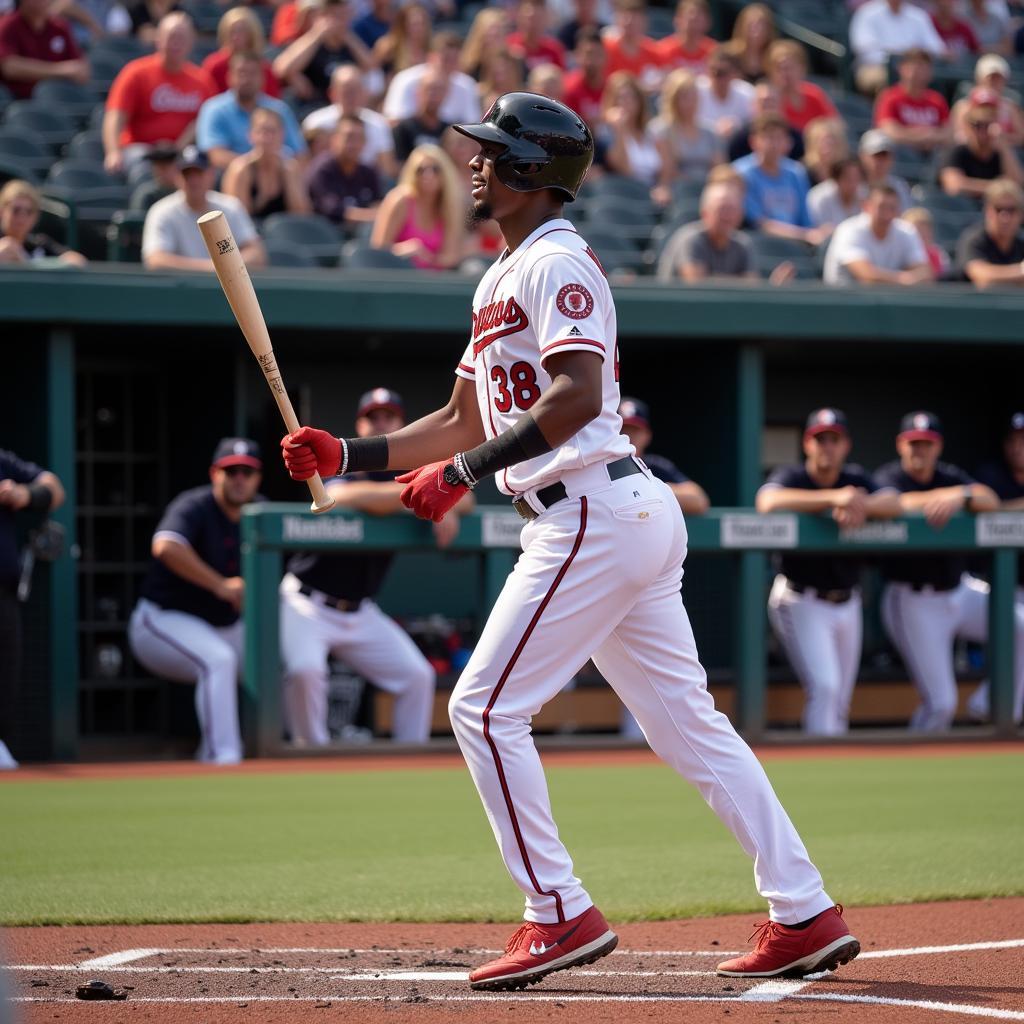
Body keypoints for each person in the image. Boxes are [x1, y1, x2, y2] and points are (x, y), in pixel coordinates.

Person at [280, 90, 861, 991]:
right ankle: (805, 911)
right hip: (603, 515)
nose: (473, 163)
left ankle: (556, 912)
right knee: (690, 732)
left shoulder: (559, 263)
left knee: (481, 708)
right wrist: (346, 449)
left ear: (529, 170)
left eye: (491, 151)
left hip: (589, 509)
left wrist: (465, 474)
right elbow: (460, 415)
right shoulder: (500, 275)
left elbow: (577, 399)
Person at [280, 389, 464, 746]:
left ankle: (410, 761)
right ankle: (309, 758)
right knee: (306, 671)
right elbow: (341, 497)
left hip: (360, 610)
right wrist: (423, 494)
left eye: (389, 417)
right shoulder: (348, 463)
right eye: (373, 417)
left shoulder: (407, 469)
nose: (381, 423)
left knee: (417, 676)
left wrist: (449, 501)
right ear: (359, 424)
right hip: (306, 603)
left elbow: (466, 494)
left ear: (401, 424)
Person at [756, 409, 900, 736]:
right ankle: (817, 760)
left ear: (845, 445)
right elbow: (767, 500)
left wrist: (858, 504)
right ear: (808, 443)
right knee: (825, 687)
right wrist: (833, 498)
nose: (827, 447)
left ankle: (836, 769)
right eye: (820, 439)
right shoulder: (793, 475)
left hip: (847, 601)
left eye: (834, 440)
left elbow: (894, 503)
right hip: (800, 598)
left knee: (840, 700)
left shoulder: (856, 479)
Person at [128, 438, 263, 765]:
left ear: (257, 477)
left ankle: (297, 754)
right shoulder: (195, 505)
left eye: (247, 471)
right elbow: (165, 546)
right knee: (218, 659)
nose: (239, 479)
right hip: (162, 620)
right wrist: (219, 585)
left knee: (280, 662)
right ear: (215, 474)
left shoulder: (262, 511)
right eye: (231, 471)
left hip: (224, 625)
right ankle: (223, 759)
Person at [872, 412, 1009, 733]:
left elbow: (989, 499)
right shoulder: (889, 476)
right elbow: (890, 503)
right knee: (941, 704)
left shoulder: (950, 477)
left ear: (938, 446)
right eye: (914, 443)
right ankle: (911, 765)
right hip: (914, 599)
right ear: (901, 446)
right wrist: (939, 500)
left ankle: (986, 706)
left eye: (927, 444)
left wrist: (959, 496)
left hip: (960, 591)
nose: (920, 450)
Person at [0, 447, 64, 770]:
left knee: (7, 672)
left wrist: (22, 494)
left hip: (3, 591)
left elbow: (54, 488)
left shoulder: (2, 462)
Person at [103, 12, 213, 175]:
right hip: (144, 152)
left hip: (184, 153)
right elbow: (115, 116)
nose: (176, 43)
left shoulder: (202, 80)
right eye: (171, 37)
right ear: (158, 40)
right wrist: (113, 152)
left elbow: (207, 121)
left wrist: (178, 147)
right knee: (142, 170)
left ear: (191, 43)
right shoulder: (136, 73)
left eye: (182, 38)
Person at [968, 410, 1024, 724]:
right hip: (1002, 587)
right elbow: (986, 505)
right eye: (1014, 440)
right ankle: (998, 715)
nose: (1019, 447)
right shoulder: (992, 475)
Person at [142, 145, 266, 271]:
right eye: (187, 174)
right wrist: (212, 268)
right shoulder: (162, 211)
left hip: (226, 286)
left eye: (199, 173)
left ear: (211, 174)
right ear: (177, 177)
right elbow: (155, 260)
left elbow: (256, 254)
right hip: (181, 287)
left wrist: (219, 269)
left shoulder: (231, 207)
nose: (193, 180)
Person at [196, 51, 306, 170]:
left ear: (263, 77)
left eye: (253, 73)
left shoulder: (279, 110)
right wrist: (256, 170)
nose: (246, 79)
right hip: (229, 177)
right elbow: (215, 155)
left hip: (277, 178)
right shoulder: (213, 108)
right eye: (241, 73)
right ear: (229, 76)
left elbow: (300, 155)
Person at [733, 113, 827, 246]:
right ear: (753, 142)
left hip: (799, 245)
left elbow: (806, 219)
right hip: (762, 245)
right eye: (768, 138)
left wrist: (813, 233)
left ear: (788, 143)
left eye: (779, 138)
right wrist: (804, 235)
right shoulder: (741, 173)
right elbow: (759, 223)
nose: (774, 144)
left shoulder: (796, 172)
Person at [370, 142, 463, 268]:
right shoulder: (400, 200)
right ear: (412, 173)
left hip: (434, 282)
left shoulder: (449, 206)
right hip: (398, 277)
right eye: (421, 170)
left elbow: (450, 256)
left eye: (435, 169)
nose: (428, 175)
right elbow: (378, 251)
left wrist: (429, 259)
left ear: (445, 174)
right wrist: (404, 250)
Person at [823, 183, 933, 286]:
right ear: (866, 207)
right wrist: (904, 279)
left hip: (888, 302)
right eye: (881, 207)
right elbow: (866, 276)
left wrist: (909, 278)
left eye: (892, 208)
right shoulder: (848, 230)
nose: (887, 214)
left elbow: (924, 272)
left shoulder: (906, 231)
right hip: (843, 302)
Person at [302, 64, 397, 177]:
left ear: (364, 93)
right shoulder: (314, 123)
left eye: (356, 91)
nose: (352, 97)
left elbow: (386, 171)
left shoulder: (378, 124)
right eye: (346, 92)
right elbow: (305, 166)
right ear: (332, 93)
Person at [271, 0, 373, 105]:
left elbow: (371, 66)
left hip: (346, 106)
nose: (338, 21)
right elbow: (281, 69)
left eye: (343, 15)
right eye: (334, 15)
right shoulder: (310, 43)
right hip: (314, 106)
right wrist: (317, 34)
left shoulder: (350, 42)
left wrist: (347, 36)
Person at [618, 397, 708, 514]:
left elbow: (699, 501)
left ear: (647, 436)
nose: (629, 436)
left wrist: (648, 489)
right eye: (623, 430)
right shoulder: (598, 466)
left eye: (635, 430)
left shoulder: (654, 465)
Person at [657, 178, 754, 281]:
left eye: (732, 209)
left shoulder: (743, 243)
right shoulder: (690, 239)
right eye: (722, 209)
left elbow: (751, 285)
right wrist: (739, 281)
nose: (727, 216)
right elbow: (697, 285)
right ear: (705, 213)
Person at [223, 107, 312, 219]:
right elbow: (237, 220)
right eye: (262, 131)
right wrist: (261, 198)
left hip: (285, 233)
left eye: (272, 131)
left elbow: (303, 215)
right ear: (250, 135)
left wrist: (287, 178)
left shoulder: (290, 168)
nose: (267, 138)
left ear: (282, 135)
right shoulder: (240, 170)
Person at [650, 68, 723, 197]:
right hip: (678, 190)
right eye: (684, 97)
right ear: (673, 100)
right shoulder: (662, 130)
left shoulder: (710, 131)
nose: (690, 103)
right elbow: (668, 171)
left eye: (693, 96)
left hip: (707, 190)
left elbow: (718, 168)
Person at [849, 0, 947, 96]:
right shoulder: (866, 12)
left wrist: (912, 63)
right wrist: (899, 62)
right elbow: (863, 48)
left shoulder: (918, 15)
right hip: (875, 67)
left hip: (916, 67)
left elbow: (937, 48)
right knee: (884, 78)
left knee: (935, 79)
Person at [382, 31, 481, 126]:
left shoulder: (467, 85)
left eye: (454, 59)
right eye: (446, 59)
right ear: (431, 57)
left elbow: (472, 124)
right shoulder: (405, 79)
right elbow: (393, 121)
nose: (450, 64)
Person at [940, 91, 1024, 199]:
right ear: (967, 125)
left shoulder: (1001, 153)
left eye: (988, 124)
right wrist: (999, 187)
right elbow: (954, 186)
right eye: (977, 124)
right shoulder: (957, 151)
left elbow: (1017, 186)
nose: (983, 130)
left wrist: (1004, 147)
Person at [0, 0, 88, 100]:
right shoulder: (7, 25)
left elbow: (81, 71)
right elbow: (9, 68)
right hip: (18, 99)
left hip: (57, 99)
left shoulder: (60, 26)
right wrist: (60, 71)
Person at [306, 113, 382, 227]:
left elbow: (377, 202)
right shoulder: (322, 170)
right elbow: (334, 211)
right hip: (327, 236)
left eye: (359, 138)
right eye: (349, 137)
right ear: (334, 139)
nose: (354, 144)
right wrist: (375, 216)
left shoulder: (368, 172)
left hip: (362, 235)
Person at [873, 48, 951, 155]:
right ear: (901, 68)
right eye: (913, 65)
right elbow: (888, 131)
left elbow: (948, 134)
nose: (918, 71)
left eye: (923, 66)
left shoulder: (936, 99)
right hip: (899, 156)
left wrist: (926, 136)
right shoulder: (890, 97)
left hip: (932, 155)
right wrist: (923, 136)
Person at [0, 179, 86, 266]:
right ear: (2, 211)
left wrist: (27, 262)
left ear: (36, 217)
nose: (22, 217)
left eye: (29, 211)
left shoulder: (39, 245)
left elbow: (77, 260)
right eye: (16, 210)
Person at [957, 177, 1024, 287]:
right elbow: (983, 278)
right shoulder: (974, 239)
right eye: (998, 209)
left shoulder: (1021, 242)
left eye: (1011, 210)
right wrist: (1020, 272)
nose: (1005, 217)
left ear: (1021, 214)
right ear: (988, 211)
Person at [599, 70, 660, 188]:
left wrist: (662, 187)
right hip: (625, 192)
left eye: (631, 97)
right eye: (621, 98)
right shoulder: (606, 131)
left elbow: (666, 169)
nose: (626, 102)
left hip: (652, 193)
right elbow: (624, 169)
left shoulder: (650, 131)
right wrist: (620, 129)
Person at [202, 7, 280, 98]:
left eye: (242, 31)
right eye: (232, 32)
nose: (236, 37)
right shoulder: (214, 66)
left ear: (252, 34)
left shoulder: (264, 69)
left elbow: (272, 102)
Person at [765, 40, 837, 136]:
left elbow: (834, 126)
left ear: (802, 68)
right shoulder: (767, 98)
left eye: (789, 67)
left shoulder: (814, 94)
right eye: (779, 68)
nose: (785, 73)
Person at [951, 55, 1024, 147]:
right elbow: (957, 137)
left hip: (1003, 154)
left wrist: (1001, 138)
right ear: (979, 78)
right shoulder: (964, 106)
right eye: (990, 78)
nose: (994, 82)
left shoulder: (1010, 107)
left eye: (998, 78)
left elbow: (1021, 137)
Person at [391, 64, 449, 162]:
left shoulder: (450, 131)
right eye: (429, 89)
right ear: (418, 92)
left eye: (438, 90)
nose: (433, 95)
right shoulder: (403, 129)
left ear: (446, 94)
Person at [697, 47, 754, 142]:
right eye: (712, 70)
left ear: (735, 73)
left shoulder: (747, 93)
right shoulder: (695, 91)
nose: (716, 76)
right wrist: (714, 128)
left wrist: (737, 126)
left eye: (722, 72)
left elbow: (756, 124)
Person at [601, 0, 661, 91]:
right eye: (625, 17)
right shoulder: (605, 49)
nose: (629, 22)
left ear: (644, 21)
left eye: (635, 17)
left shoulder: (654, 51)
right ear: (617, 19)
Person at [655, 0, 716, 76]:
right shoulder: (660, 51)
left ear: (708, 22)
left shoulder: (714, 52)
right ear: (676, 20)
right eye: (689, 16)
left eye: (698, 19)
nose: (693, 17)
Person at [562, 26, 607, 129]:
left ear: (605, 56)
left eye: (598, 54)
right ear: (577, 56)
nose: (592, 60)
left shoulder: (612, 88)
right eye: (588, 54)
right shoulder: (568, 88)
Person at [372, 0, 431, 79]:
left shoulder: (433, 47)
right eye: (415, 24)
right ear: (403, 25)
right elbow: (371, 70)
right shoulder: (388, 46)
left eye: (422, 23)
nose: (419, 28)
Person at [858, 128, 912, 211]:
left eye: (885, 156)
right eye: (876, 156)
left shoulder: (900, 186)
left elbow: (905, 215)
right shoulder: (853, 184)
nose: (880, 161)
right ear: (863, 156)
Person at [721, 1, 774, 83]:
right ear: (742, 26)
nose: (756, 30)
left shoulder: (774, 58)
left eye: (761, 25)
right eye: (751, 25)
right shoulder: (728, 54)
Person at [808, 156, 866, 230]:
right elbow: (818, 231)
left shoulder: (864, 195)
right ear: (836, 179)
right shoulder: (819, 197)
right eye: (848, 179)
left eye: (857, 178)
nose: (853, 184)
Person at [506, 0, 565, 71]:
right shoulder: (509, 46)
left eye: (537, 19)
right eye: (529, 19)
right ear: (519, 18)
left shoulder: (554, 50)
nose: (532, 25)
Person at [902, 205, 950, 279]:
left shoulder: (939, 254)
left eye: (926, 229)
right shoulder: (901, 253)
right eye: (919, 230)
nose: (924, 234)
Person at [802, 117, 850, 186]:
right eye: (822, 140)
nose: (827, 144)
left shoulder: (845, 171)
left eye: (831, 139)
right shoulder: (802, 171)